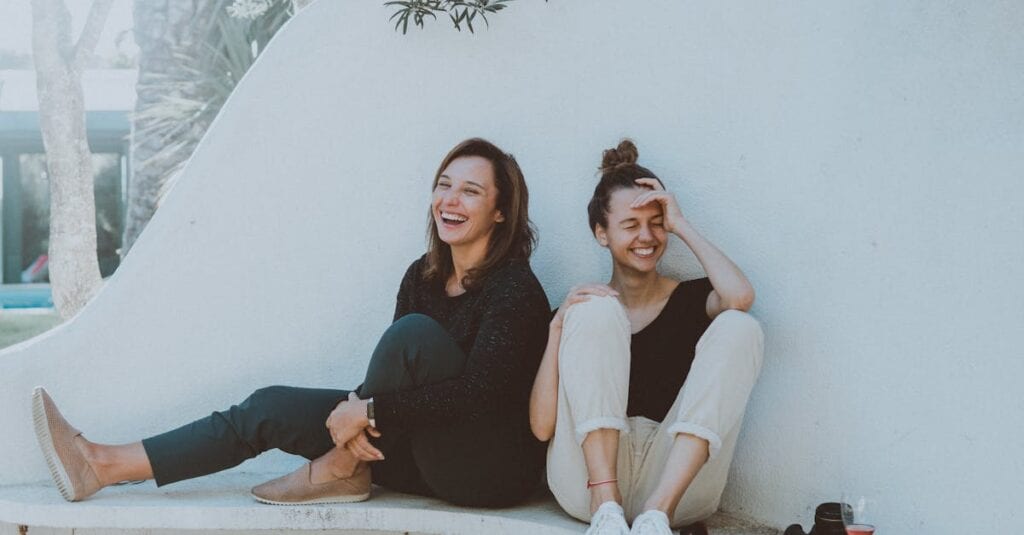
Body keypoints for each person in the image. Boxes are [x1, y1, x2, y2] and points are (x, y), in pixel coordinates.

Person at [33, 138, 551, 508]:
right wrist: (360, 411)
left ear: (501, 212)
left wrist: (366, 408)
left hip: (485, 472)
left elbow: (481, 394)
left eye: (471, 192)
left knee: (411, 336)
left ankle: (342, 468)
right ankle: (101, 464)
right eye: (444, 185)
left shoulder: (514, 288)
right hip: (420, 451)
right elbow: (397, 380)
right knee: (267, 407)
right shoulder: (423, 274)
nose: (450, 200)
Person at [529, 140, 764, 535]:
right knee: (596, 307)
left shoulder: (692, 299)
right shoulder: (582, 312)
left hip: (674, 484)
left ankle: (656, 515)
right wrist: (557, 330)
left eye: (656, 222)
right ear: (601, 233)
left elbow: (740, 297)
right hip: (586, 485)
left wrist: (681, 223)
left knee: (741, 324)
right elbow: (541, 427)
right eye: (630, 224)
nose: (647, 236)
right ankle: (607, 507)